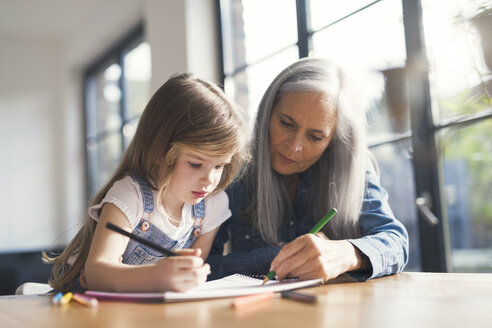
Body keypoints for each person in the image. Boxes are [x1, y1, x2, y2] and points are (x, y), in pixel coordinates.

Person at [207, 58, 409, 282]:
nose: (294, 147)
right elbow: (204, 266)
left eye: (315, 137)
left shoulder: (353, 166)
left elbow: (396, 242)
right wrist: (278, 258)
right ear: (268, 113)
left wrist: (346, 254)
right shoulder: (231, 167)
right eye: (286, 123)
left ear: (333, 140)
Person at [43, 73, 249, 293]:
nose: (209, 181)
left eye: (219, 166)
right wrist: (157, 275)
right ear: (159, 150)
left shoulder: (212, 204)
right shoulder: (130, 194)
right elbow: (96, 273)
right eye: (195, 164)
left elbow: (192, 276)